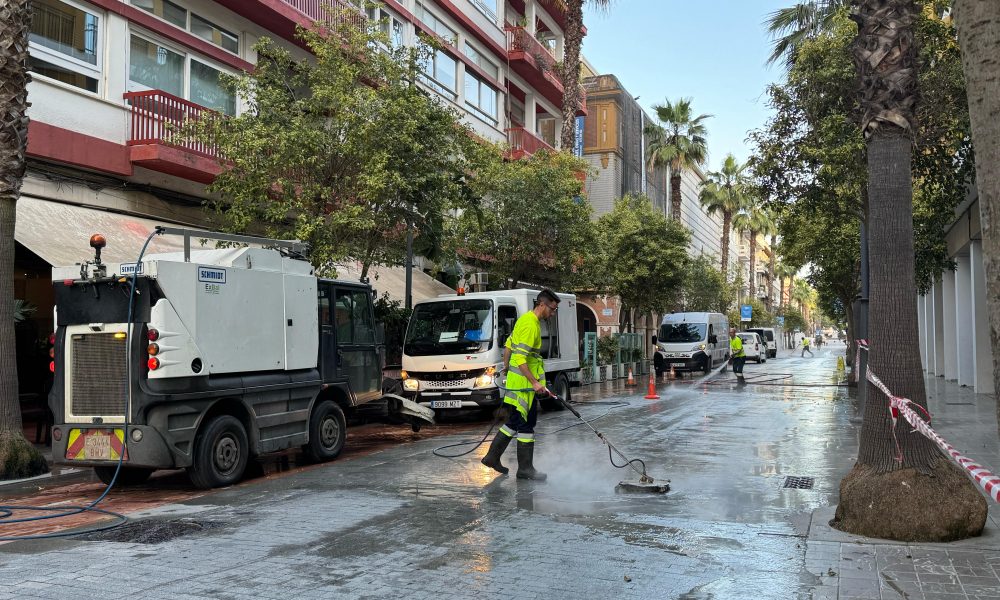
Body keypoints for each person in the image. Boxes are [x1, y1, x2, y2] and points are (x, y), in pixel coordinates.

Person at [481, 289, 560, 480]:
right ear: (542, 304)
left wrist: (507, 367)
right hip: (524, 386)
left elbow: (509, 346)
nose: (553, 313)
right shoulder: (531, 325)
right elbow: (520, 357)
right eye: (552, 309)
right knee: (526, 423)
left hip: (518, 382)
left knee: (516, 420)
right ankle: (525, 469)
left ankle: (492, 457)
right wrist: (534, 382)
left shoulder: (524, 320)